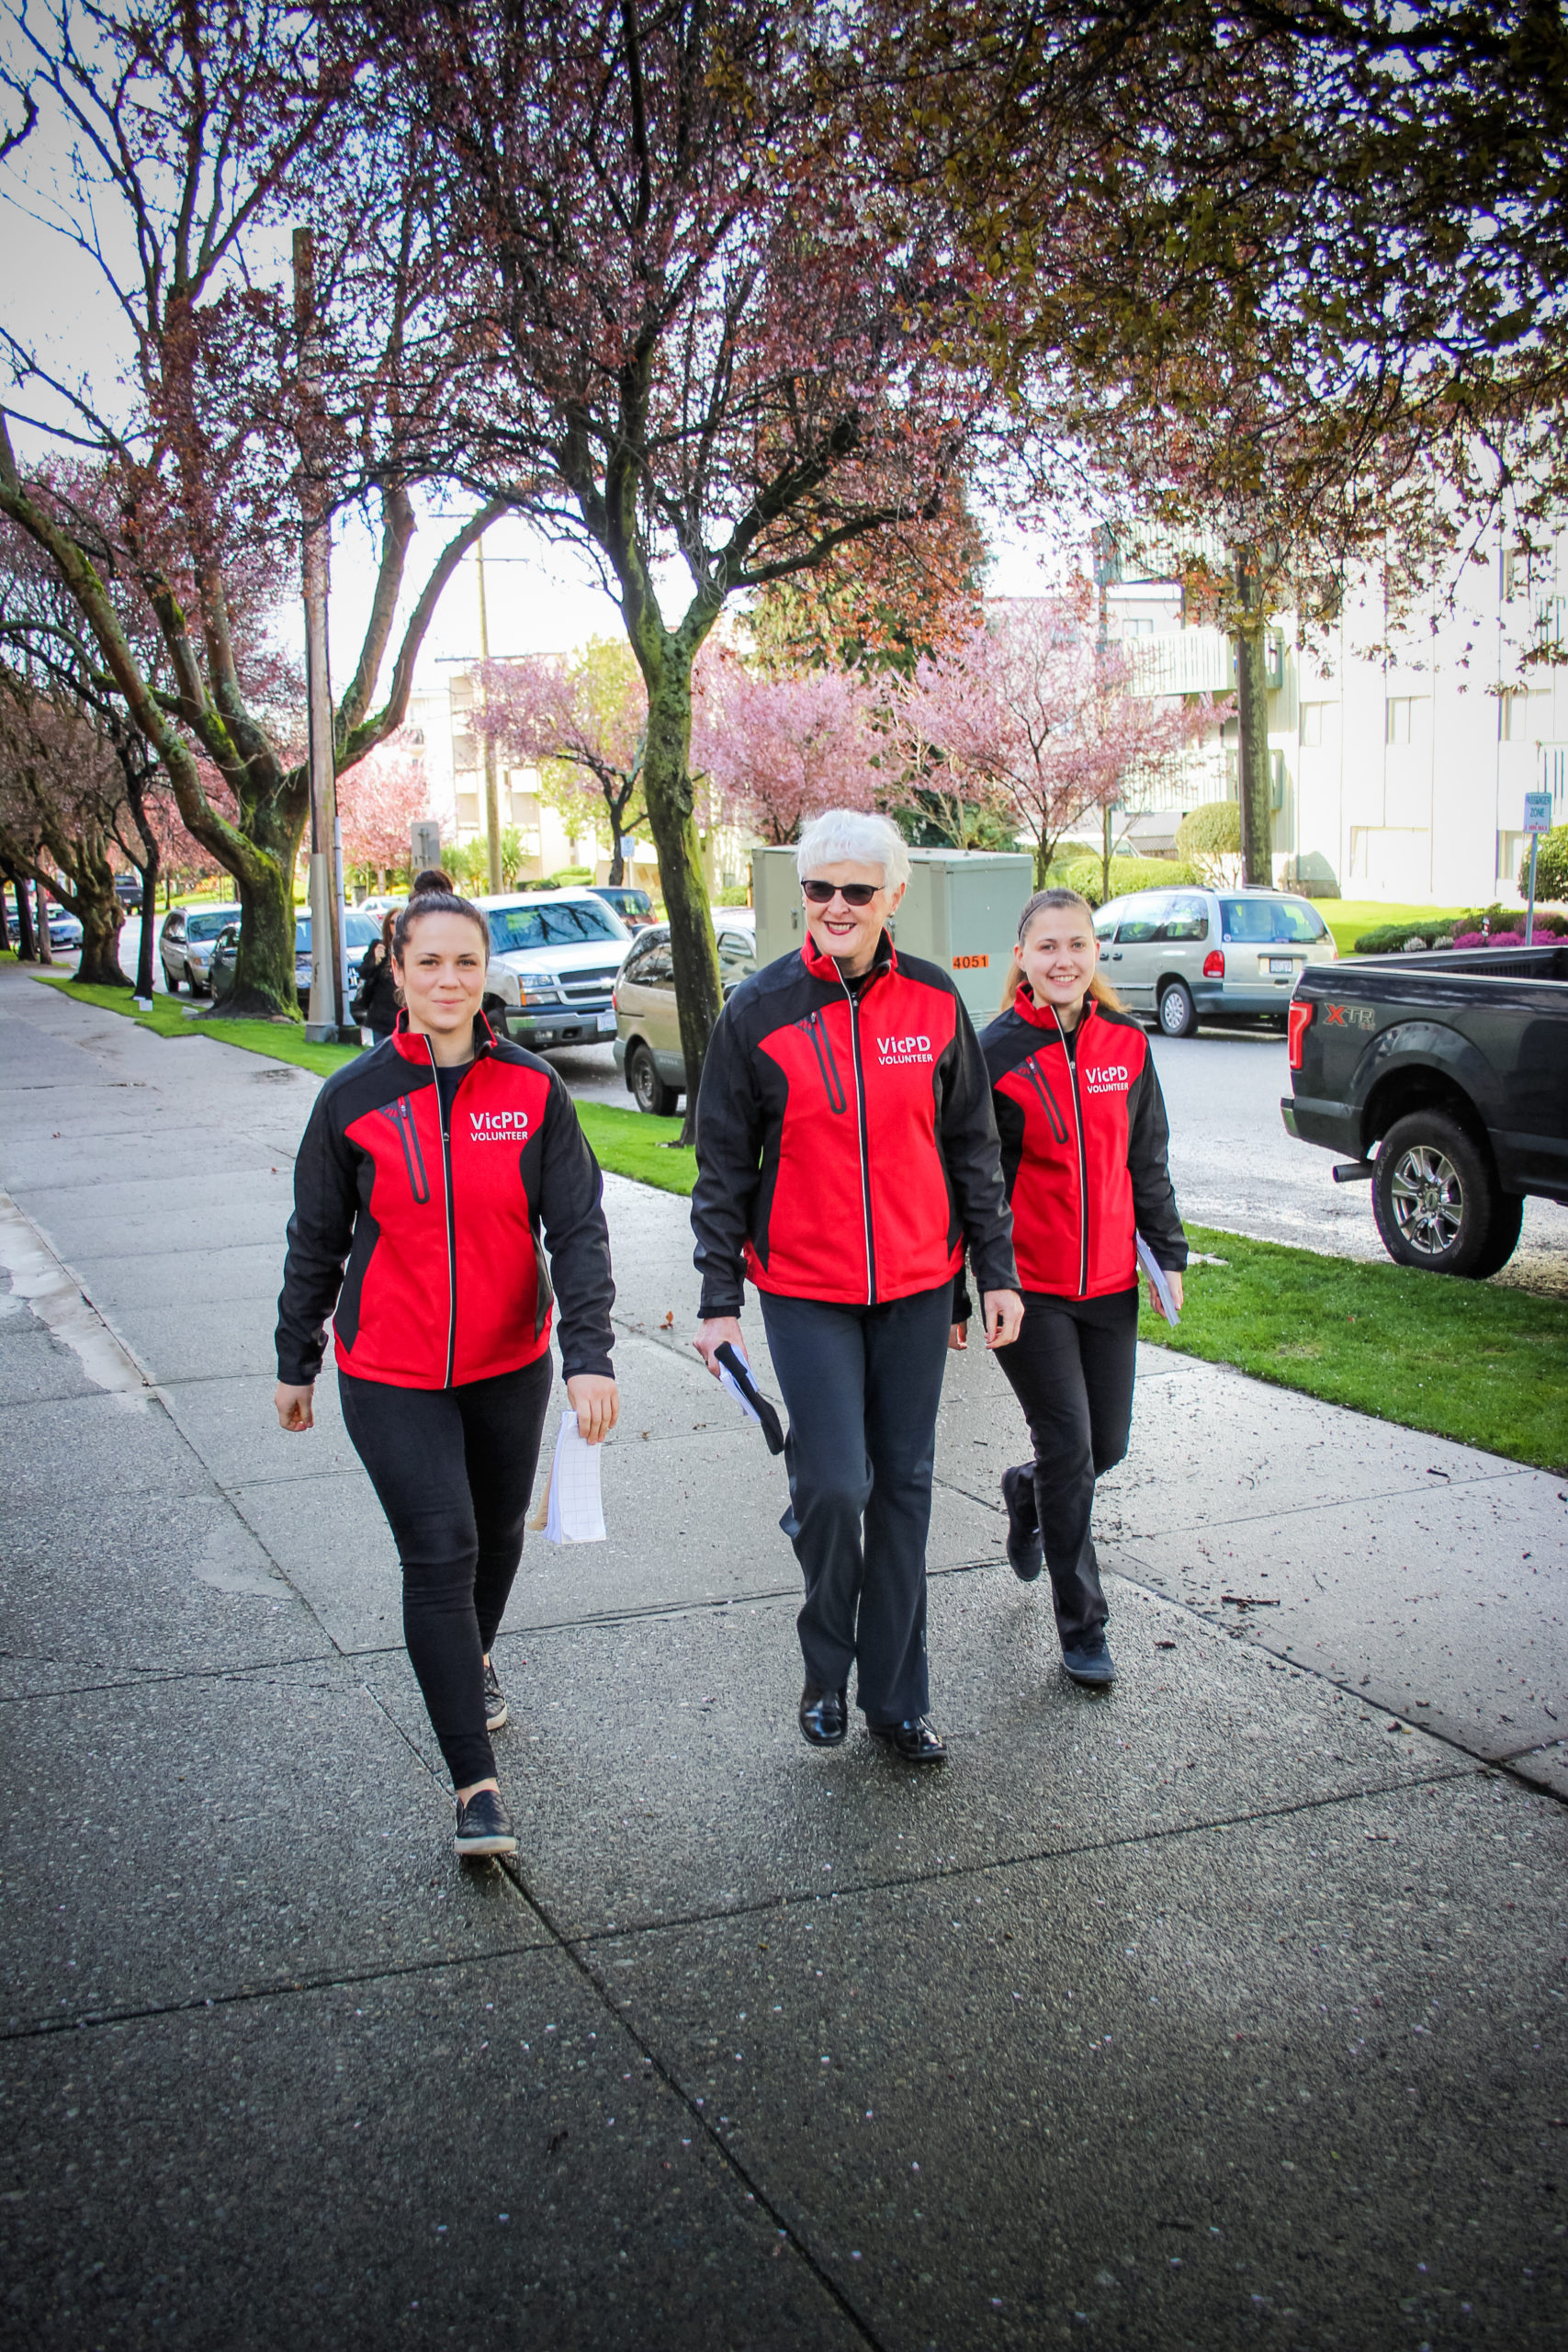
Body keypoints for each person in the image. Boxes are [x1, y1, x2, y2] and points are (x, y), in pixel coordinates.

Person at [274, 889, 618, 1856]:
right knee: (443, 1547)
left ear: (485, 969)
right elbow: (317, 1238)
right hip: (389, 1367)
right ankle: (475, 1785)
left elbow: (579, 1230)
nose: (449, 980)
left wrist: (588, 1354)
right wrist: (295, 1358)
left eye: (465, 962)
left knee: (498, 1533)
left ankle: (470, 1658)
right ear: (398, 968)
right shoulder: (352, 1099)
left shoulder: (534, 1091)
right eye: (429, 962)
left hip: (509, 1359)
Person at [691, 810, 1022, 1764]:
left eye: (858, 891)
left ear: (894, 900)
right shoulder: (756, 1012)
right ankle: (824, 1664)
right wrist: (719, 1301)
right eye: (821, 890)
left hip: (918, 1286)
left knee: (904, 1489)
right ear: (804, 898)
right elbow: (722, 1170)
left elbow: (972, 1147)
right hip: (805, 1288)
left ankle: (895, 1699)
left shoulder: (932, 1004)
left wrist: (989, 1273)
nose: (838, 907)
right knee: (838, 1486)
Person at [957, 887, 1187, 1690]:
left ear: (1095, 955)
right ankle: (1082, 1628)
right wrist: (974, 1286)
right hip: (1030, 1291)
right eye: (1046, 946)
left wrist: (1168, 1253)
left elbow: (1146, 1159)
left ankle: (1026, 1494)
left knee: (1102, 1448)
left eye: (1077, 945)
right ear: (1021, 957)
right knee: (1071, 1448)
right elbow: (971, 1184)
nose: (1063, 960)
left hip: (1110, 1286)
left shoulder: (1126, 1042)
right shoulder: (995, 1054)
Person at [351, 908, 401, 1039]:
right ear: (387, 925)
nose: (396, 925)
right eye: (392, 922)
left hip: (402, 1013)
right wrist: (376, 960)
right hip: (381, 1013)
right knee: (381, 1056)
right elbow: (364, 973)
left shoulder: (412, 947)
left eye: (400, 920)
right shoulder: (379, 946)